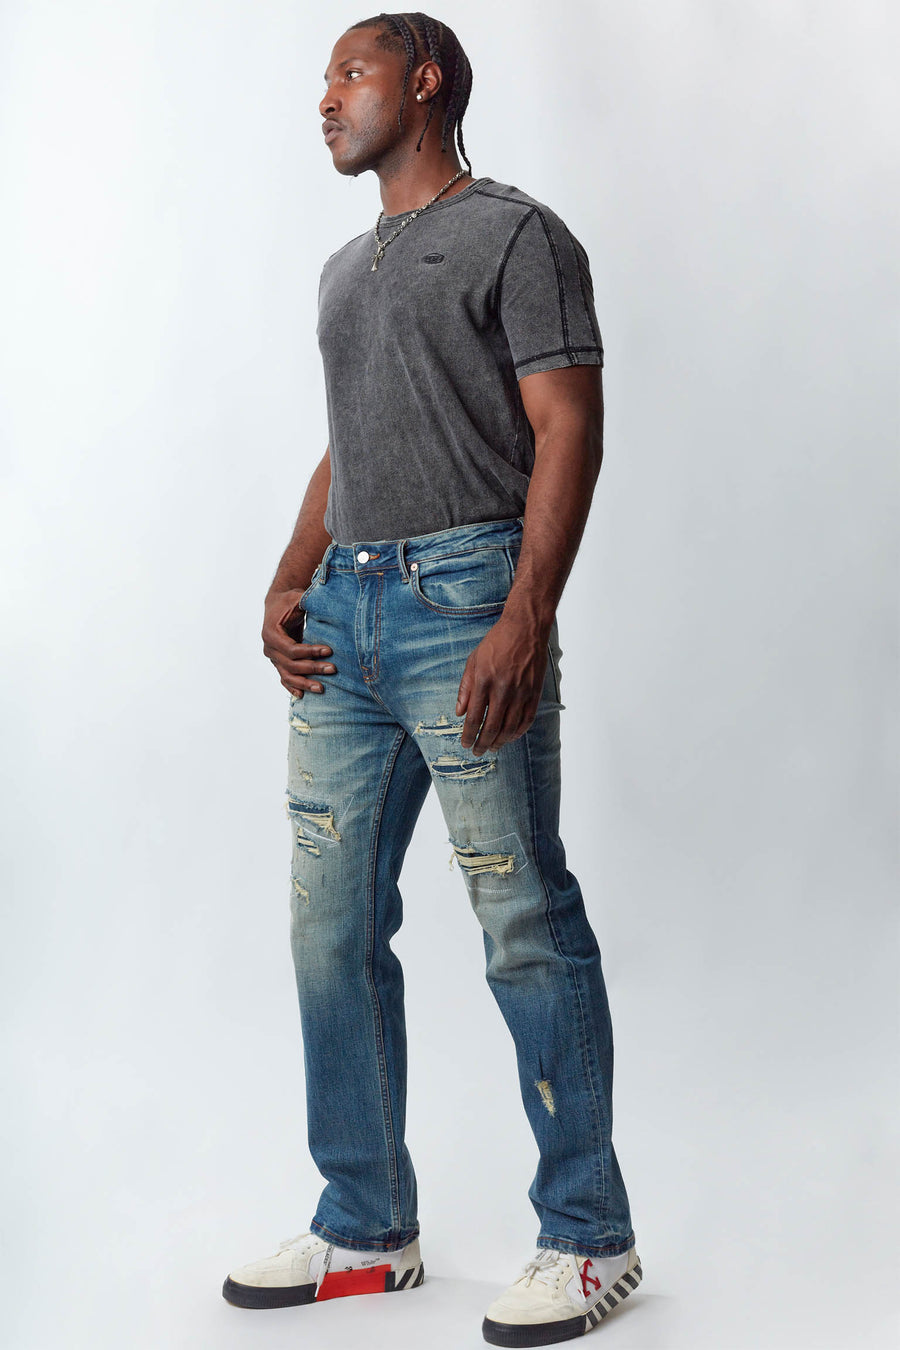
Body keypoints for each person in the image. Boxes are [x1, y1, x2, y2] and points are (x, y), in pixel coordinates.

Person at [222, 11, 642, 1346]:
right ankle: (365, 1224)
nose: (326, 98)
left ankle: (591, 1237)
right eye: (324, 78)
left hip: (469, 601)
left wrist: (525, 616)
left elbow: (568, 425)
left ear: (425, 81)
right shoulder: (346, 267)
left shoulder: (520, 236)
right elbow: (346, 445)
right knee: (329, 927)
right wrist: (289, 578)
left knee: (520, 915)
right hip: (345, 615)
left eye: (348, 72)